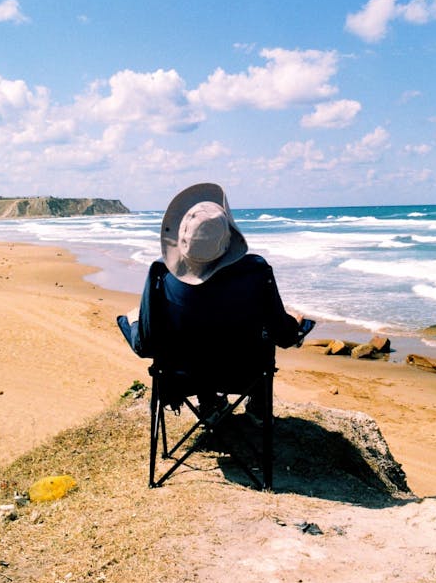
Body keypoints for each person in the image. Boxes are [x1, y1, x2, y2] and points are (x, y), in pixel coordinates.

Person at [118, 182, 311, 424]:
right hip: (245, 374)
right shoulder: (255, 272)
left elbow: (145, 345)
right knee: (258, 334)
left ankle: (209, 405)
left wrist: (134, 322)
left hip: (181, 376)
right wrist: (296, 326)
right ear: (228, 236)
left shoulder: (161, 274)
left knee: (193, 328)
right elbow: (281, 334)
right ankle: (259, 406)